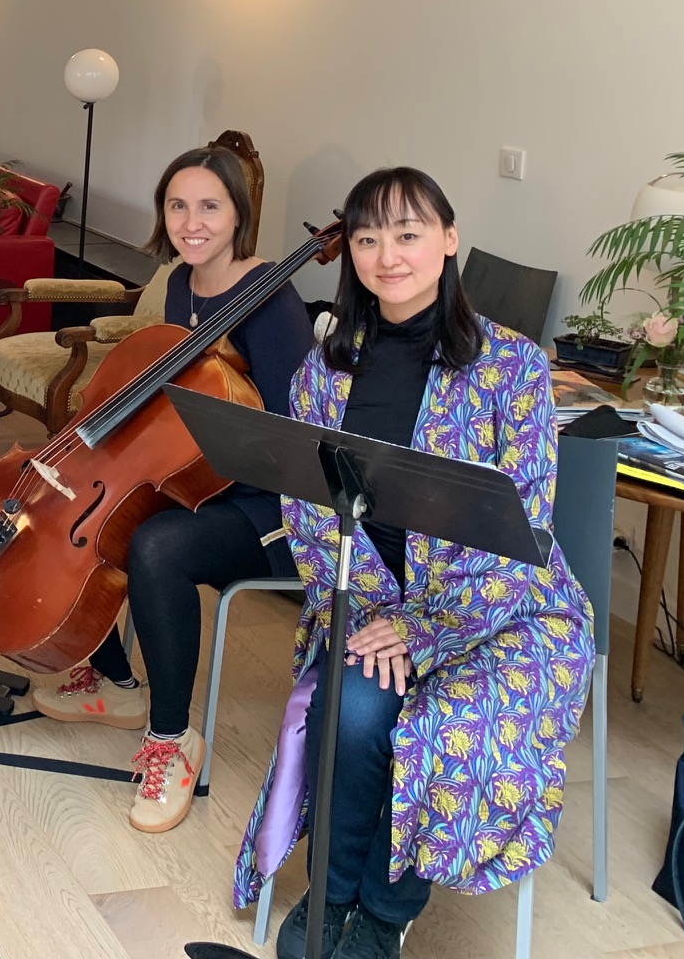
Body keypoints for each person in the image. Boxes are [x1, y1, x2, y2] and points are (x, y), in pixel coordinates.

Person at [236, 168, 592, 959]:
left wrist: (425, 628)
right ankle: (331, 896)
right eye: (367, 238)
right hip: (371, 606)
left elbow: (524, 528)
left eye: (408, 233)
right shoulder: (324, 372)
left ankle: (382, 917)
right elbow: (308, 512)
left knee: (443, 726)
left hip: (505, 611)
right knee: (356, 713)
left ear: (449, 239)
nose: (387, 255)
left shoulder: (512, 366)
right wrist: (381, 619)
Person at [30, 146, 313, 835]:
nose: (192, 222)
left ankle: (171, 740)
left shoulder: (272, 300)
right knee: (85, 513)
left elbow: (295, 442)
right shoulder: (183, 283)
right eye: (178, 206)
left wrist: (204, 448)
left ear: (239, 214)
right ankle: (115, 681)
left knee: (156, 545)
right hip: (200, 483)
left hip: (271, 508)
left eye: (210, 206)